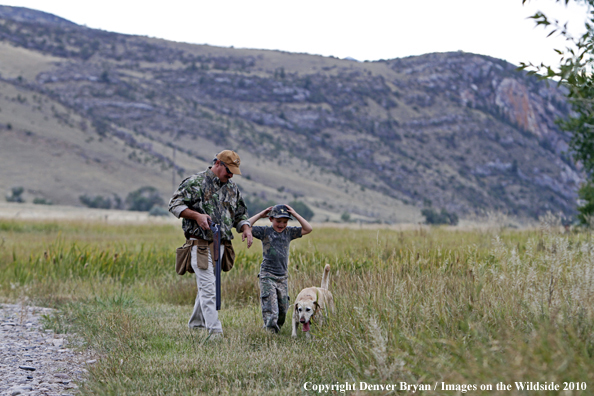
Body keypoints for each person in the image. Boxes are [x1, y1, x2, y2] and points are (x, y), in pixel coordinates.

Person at [168, 150, 253, 337]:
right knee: (208, 289)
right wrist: (196, 215)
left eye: (233, 171)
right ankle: (215, 333)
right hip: (199, 245)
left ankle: (196, 324)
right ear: (218, 164)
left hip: (221, 245)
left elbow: (240, 214)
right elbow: (174, 204)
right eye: (228, 170)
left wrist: (246, 227)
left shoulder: (232, 188)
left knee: (209, 286)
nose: (231, 175)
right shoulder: (195, 182)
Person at [248, 204, 312, 333]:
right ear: (271, 219)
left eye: (285, 221)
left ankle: (276, 329)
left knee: (283, 309)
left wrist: (295, 214)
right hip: (267, 275)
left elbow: (308, 228)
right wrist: (260, 215)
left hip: (282, 277)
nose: (281, 224)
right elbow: (244, 226)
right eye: (278, 221)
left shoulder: (289, 233)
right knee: (272, 309)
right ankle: (269, 334)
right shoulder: (265, 231)